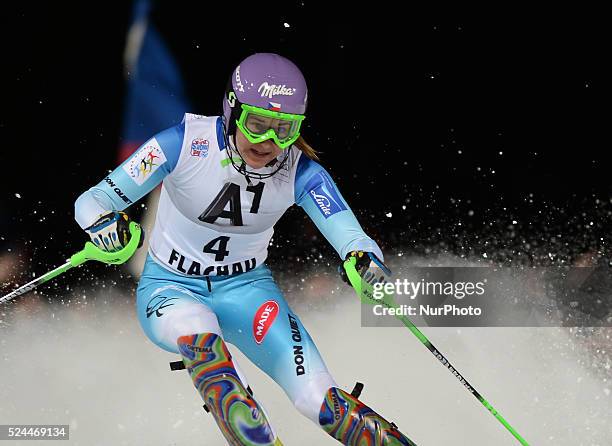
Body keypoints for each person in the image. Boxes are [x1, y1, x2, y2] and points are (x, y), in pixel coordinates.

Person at [74, 53, 416, 446]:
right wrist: (106, 226)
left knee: (320, 401)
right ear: (232, 111)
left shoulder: (302, 171)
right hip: (171, 288)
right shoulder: (183, 143)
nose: (268, 143)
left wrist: (364, 263)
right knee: (206, 349)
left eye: (284, 130)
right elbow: (93, 201)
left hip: (248, 292)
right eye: (256, 125)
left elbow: (353, 238)